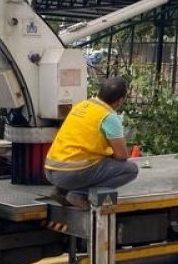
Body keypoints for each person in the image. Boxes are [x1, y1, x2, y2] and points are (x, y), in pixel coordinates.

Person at [45, 77, 139, 208]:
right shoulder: (108, 117)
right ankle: (79, 194)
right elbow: (122, 155)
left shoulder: (81, 106)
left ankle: (61, 190)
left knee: (89, 160)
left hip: (51, 170)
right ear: (120, 100)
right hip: (70, 174)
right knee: (130, 170)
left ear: (100, 92)